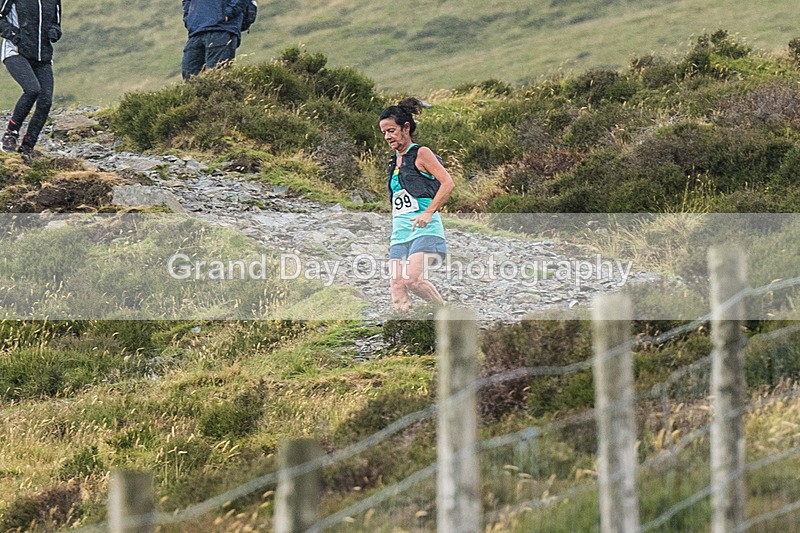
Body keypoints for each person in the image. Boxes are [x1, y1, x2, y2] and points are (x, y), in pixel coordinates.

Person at [379, 98, 455, 311]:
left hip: (425, 230)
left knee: (412, 279)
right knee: (397, 284)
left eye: (391, 131)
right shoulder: (393, 161)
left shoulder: (421, 153)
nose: (387, 137)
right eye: (384, 132)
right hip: (400, 233)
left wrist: (428, 212)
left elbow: (448, 183)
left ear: (406, 128)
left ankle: (445, 314)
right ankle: (405, 333)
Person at [0, 0, 61, 158]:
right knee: (32, 89)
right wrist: (13, 35)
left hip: (43, 56)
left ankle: (28, 146)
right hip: (16, 52)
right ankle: (10, 134)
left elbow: (56, 22)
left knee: (45, 101)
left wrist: (54, 32)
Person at [181, 0, 247, 80]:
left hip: (221, 29)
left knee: (218, 75)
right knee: (189, 76)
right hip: (196, 31)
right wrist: (188, 18)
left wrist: (229, 13)